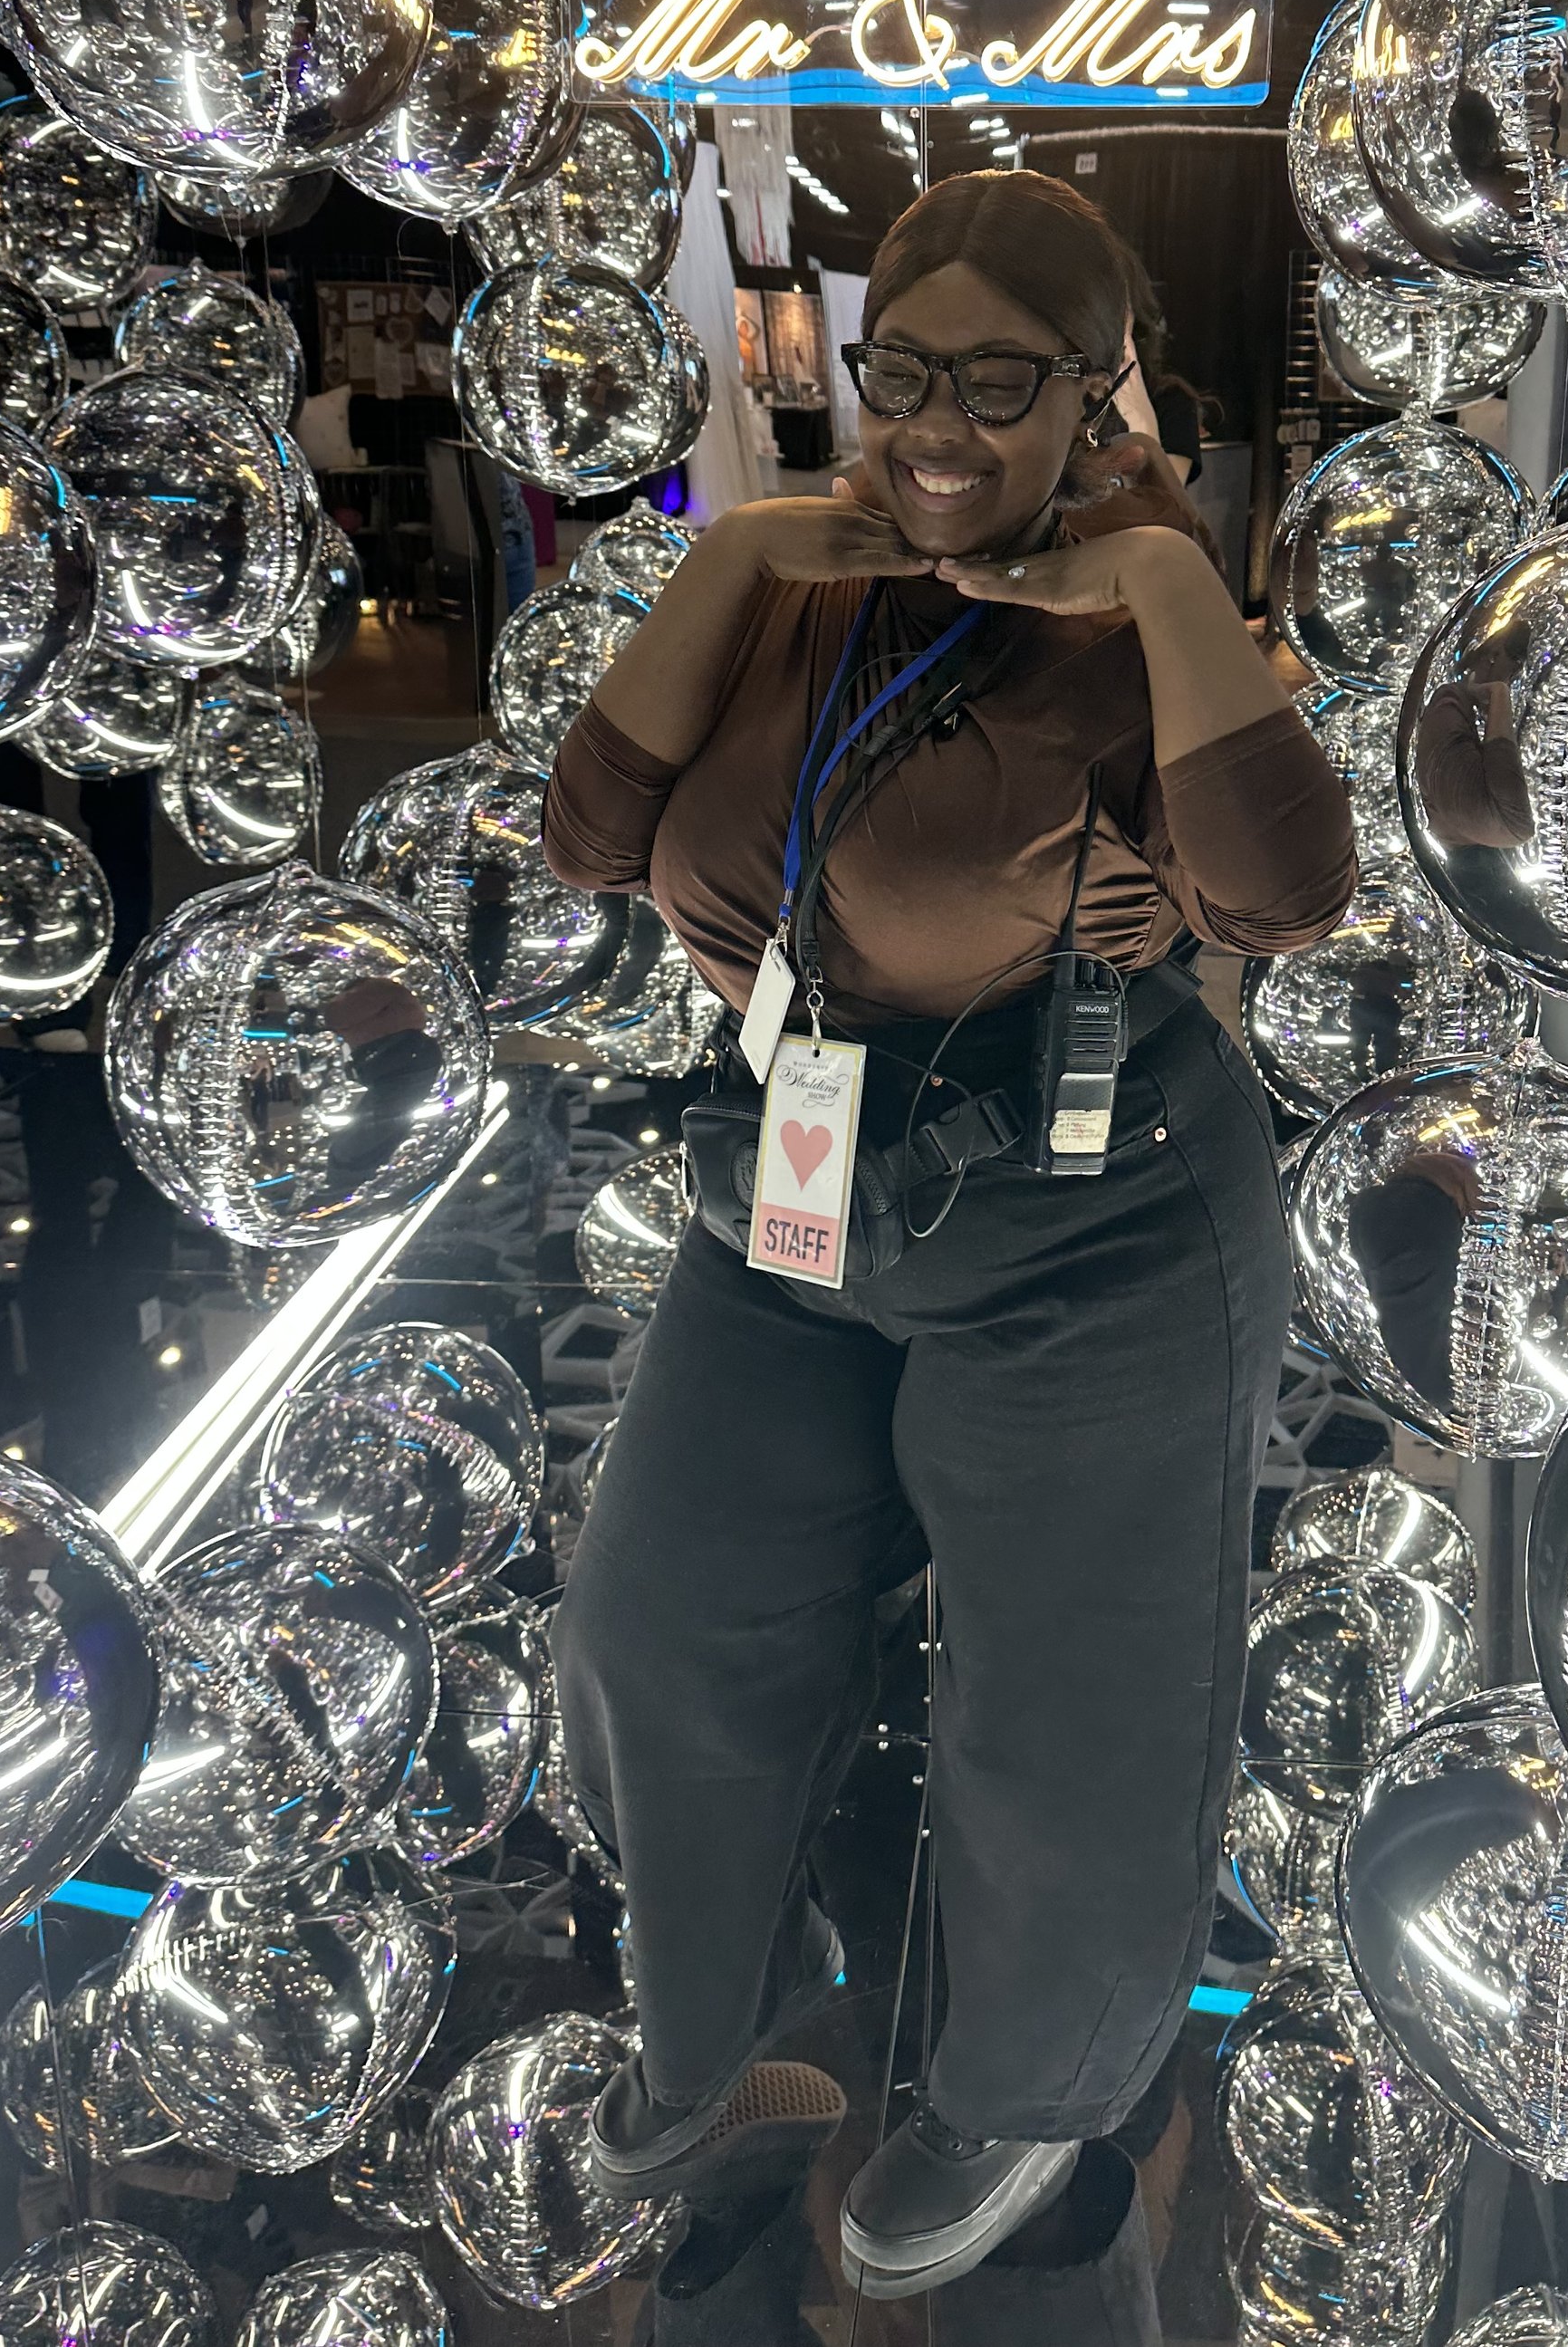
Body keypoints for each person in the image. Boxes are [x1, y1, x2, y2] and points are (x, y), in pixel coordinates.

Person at [541, 171, 1353, 2311]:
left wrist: (1162, 577)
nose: (941, 427)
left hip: (1087, 1220)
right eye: (907, 373)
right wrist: (735, 553)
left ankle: (1024, 2092)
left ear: (1096, 395)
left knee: (1063, 1708)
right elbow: (596, 832)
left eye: (1004, 385)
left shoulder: (1139, 586)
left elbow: (1281, 897)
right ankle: (701, 2025)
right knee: (656, 1619)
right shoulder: (800, 573)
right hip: (792, 1196)